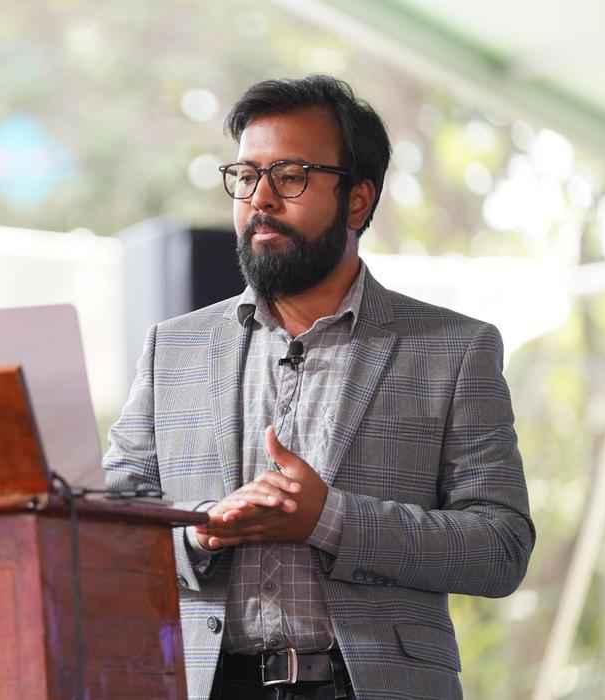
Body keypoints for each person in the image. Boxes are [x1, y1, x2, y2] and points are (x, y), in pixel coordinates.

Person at [103, 75, 535, 700]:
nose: (260, 198)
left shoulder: (454, 349)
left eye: (290, 176)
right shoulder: (174, 348)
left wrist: (328, 519)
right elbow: (104, 533)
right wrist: (199, 536)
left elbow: (500, 548)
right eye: (245, 176)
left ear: (357, 201)